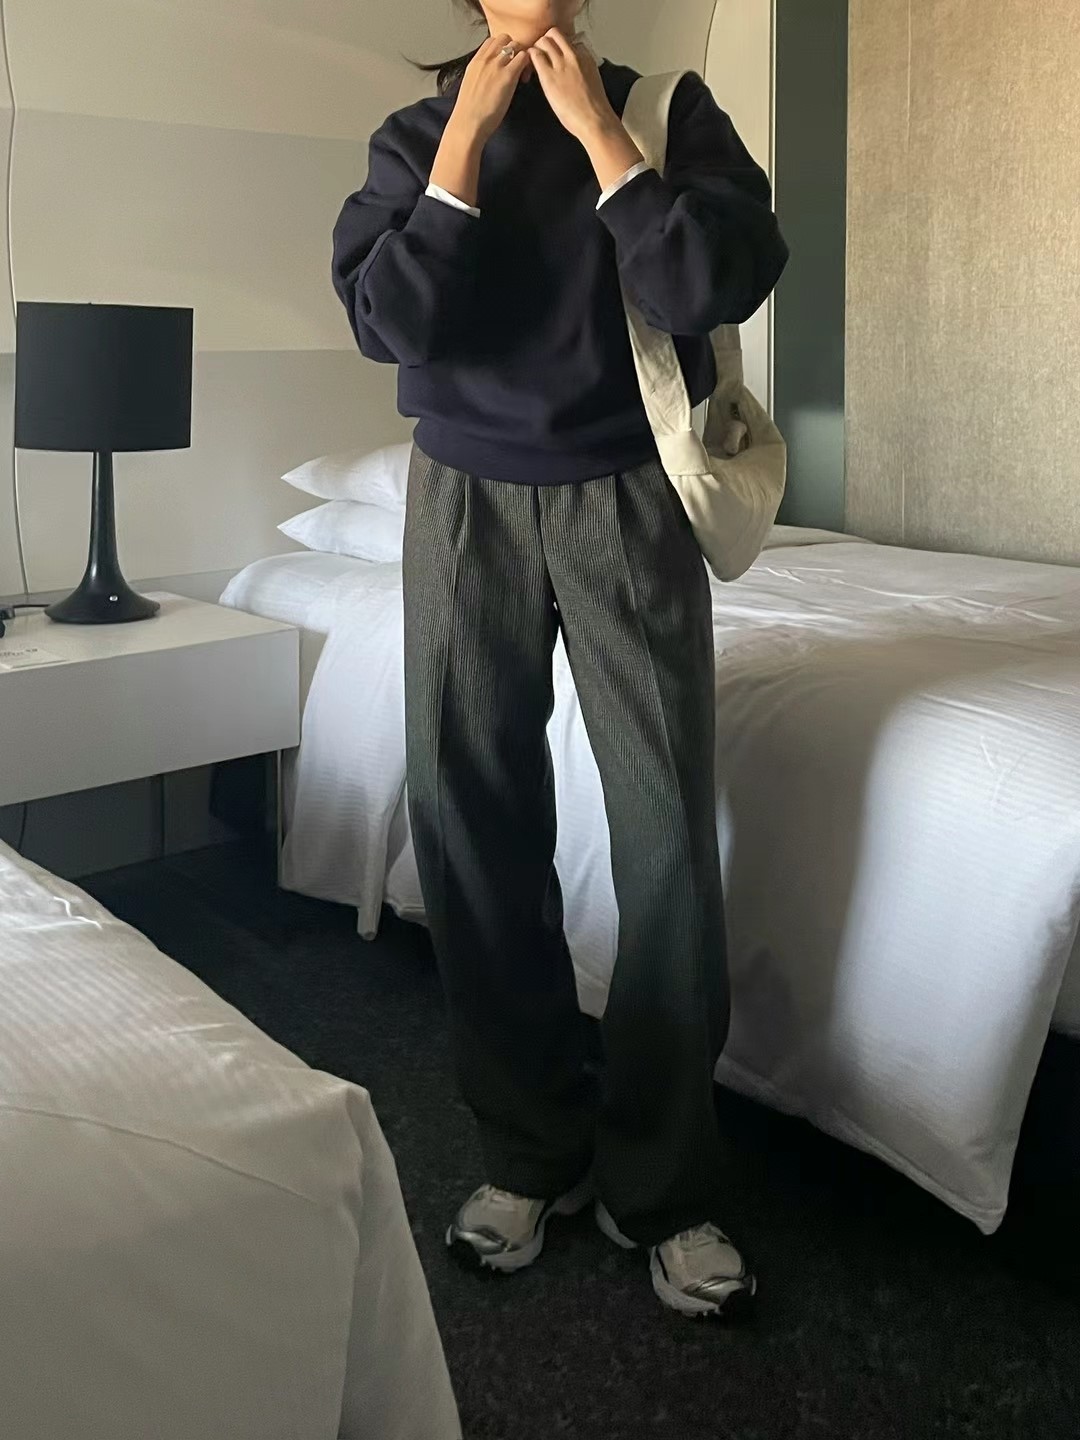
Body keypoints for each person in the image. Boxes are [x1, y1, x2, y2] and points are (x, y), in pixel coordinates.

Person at [331, 0, 788, 1318]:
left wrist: (602, 136)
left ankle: (665, 1183)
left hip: (628, 496)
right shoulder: (414, 133)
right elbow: (394, 323)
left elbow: (709, 285)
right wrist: (465, 142)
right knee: (469, 821)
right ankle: (529, 1148)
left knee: (664, 841)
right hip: (461, 501)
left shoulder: (669, 110)